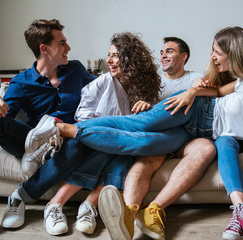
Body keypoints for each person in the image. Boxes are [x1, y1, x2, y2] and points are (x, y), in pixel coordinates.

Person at [24, 28, 243, 240]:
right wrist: (191, 94)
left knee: (143, 142)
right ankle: (61, 127)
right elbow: (215, 90)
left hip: (196, 134)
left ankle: (140, 214)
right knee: (139, 127)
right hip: (192, 111)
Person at [40, 32, 161, 236]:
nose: (109, 60)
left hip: (123, 145)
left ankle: (88, 207)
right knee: (110, 149)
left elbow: (148, 123)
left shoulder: (142, 88)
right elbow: (83, 117)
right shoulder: (103, 82)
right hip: (96, 138)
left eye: (115, 56)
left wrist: (149, 107)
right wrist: (109, 131)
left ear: (130, 60)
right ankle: (54, 205)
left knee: (124, 156)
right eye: (109, 55)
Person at [0, 19, 95, 236]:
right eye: (62, 43)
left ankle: (19, 197)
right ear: (44, 49)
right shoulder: (21, 82)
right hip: (34, 142)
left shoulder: (76, 70)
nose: (68, 48)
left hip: (68, 140)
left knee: (80, 142)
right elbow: (5, 115)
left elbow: (102, 87)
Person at [99, 36, 218, 240]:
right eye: (162, 52)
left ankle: (154, 210)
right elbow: (145, 113)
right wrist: (145, 104)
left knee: (206, 149)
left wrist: (194, 90)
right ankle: (127, 216)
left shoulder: (196, 78)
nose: (163, 55)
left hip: (189, 136)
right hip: (163, 137)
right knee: (145, 160)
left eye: (170, 51)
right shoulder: (154, 82)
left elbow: (216, 94)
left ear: (184, 56)